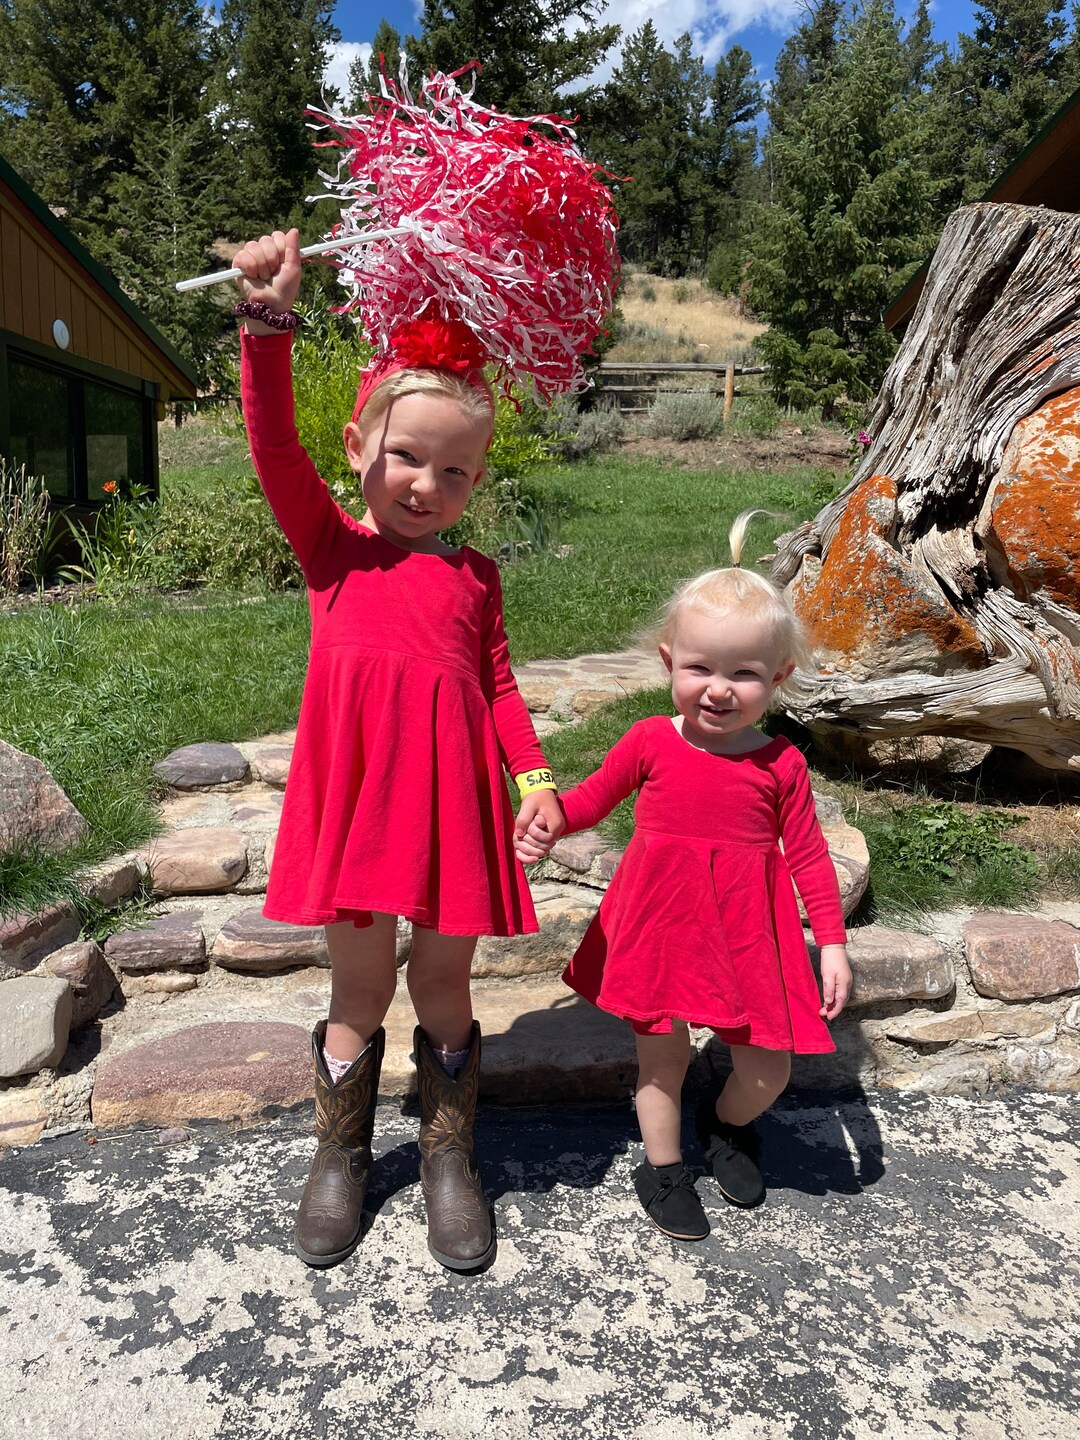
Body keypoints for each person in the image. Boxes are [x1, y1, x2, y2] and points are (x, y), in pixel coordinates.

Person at [233, 227, 565, 1273]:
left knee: (447, 989)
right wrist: (268, 324)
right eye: (408, 457)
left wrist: (535, 776)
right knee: (360, 987)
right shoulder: (333, 547)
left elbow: (498, 684)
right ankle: (339, 1158)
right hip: (363, 804)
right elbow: (272, 449)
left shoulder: (478, 579)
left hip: (452, 812)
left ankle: (446, 1159)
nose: (427, 483)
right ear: (360, 450)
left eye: (455, 469)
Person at [517, 512, 852, 1242]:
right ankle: (663, 1168)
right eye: (701, 668)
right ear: (669, 661)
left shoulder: (781, 766)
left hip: (747, 934)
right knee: (661, 1059)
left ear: (779, 678)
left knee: (769, 1068)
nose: (720, 690)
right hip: (662, 925)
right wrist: (549, 819)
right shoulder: (648, 742)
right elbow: (588, 801)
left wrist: (830, 942)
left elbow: (808, 857)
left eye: (745, 674)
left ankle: (727, 1124)